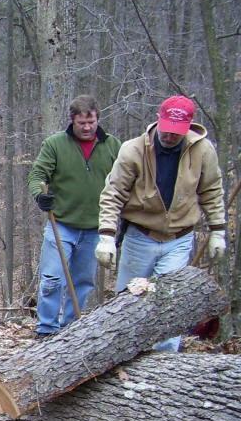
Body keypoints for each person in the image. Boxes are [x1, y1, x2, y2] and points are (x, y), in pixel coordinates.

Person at [96, 95, 226, 351]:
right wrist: (107, 236)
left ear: (188, 127)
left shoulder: (202, 151)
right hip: (139, 236)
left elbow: (211, 190)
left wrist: (218, 231)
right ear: (158, 120)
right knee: (126, 305)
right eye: (166, 130)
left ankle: (162, 367)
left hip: (178, 238)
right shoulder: (133, 150)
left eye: (176, 133)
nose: (169, 136)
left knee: (169, 305)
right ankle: (120, 359)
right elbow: (113, 193)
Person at [27, 95, 122, 338]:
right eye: (82, 123)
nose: (87, 127)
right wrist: (40, 195)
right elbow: (38, 174)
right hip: (62, 225)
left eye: (91, 122)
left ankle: (70, 330)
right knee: (52, 278)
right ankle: (46, 329)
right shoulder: (55, 144)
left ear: (97, 119)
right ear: (72, 121)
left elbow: (125, 181)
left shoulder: (113, 146)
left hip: (96, 228)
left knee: (82, 281)